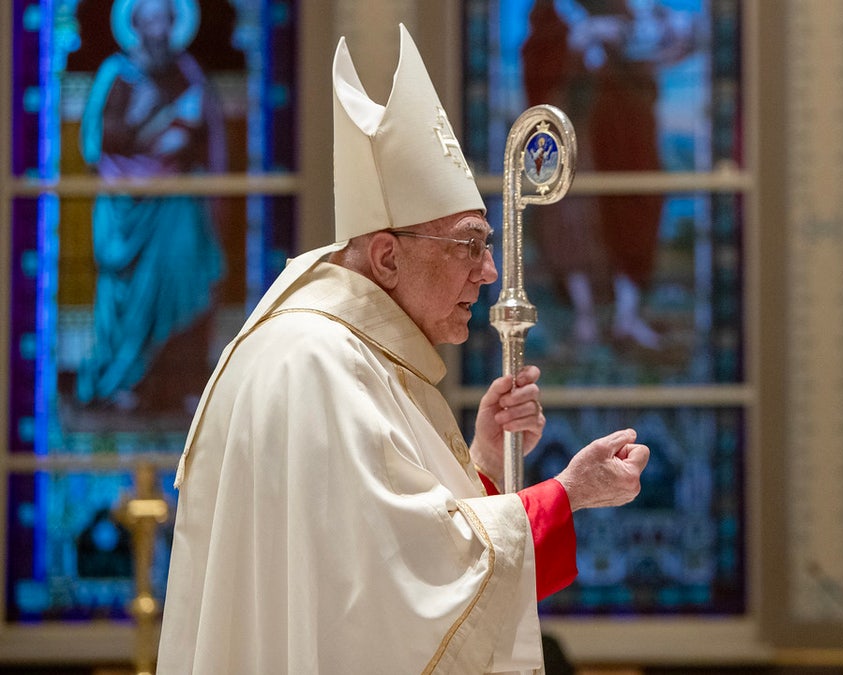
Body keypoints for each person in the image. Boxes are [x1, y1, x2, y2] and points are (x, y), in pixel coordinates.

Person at [157, 24, 649, 674]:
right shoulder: (314, 362)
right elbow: (404, 590)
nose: (490, 271)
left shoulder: (345, 351)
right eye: (469, 244)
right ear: (387, 256)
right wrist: (568, 493)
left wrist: (483, 466)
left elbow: (380, 554)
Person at [76, 0, 226, 414]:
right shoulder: (116, 74)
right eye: (150, 20)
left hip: (176, 203)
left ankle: (181, 382)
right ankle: (122, 380)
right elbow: (95, 143)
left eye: (166, 20)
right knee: (128, 295)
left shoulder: (187, 75)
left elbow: (208, 140)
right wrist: (146, 125)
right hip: (128, 205)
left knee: (186, 280)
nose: (158, 30)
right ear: (135, 25)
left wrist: (183, 136)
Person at [521, 0, 694, 349]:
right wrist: (575, 43)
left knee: (633, 216)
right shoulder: (551, 14)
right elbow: (538, 68)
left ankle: (627, 318)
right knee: (569, 222)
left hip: (625, 141)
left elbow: (660, 54)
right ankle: (584, 318)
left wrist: (621, 42)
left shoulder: (628, 12)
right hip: (577, 140)